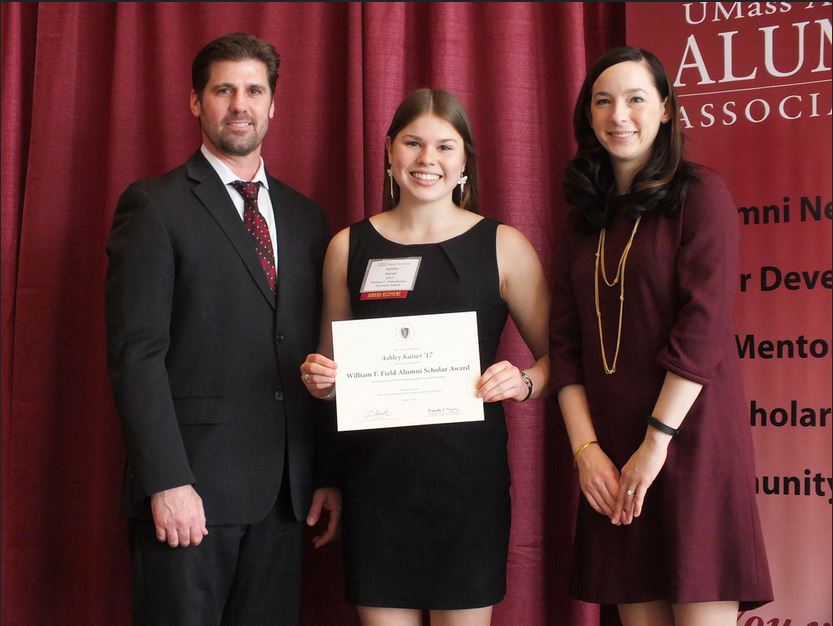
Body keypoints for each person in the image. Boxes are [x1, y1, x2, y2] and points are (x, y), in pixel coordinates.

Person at [105, 33, 340, 626]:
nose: (241, 103)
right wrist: (167, 482)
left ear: (273, 105)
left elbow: (313, 352)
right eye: (224, 89)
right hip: (191, 495)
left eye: (255, 90)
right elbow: (137, 355)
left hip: (285, 498)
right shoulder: (153, 206)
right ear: (195, 102)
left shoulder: (306, 216)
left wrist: (325, 475)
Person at [300, 88, 550, 626]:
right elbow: (330, 373)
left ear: (464, 160)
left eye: (444, 146)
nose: (426, 160)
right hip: (376, 485)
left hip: (467, 488)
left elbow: (561, 358)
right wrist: (321, 381)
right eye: (413, 143)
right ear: (390, 151)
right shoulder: (349, 246)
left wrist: (524, 381)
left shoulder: (504, 245)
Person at [550, 46, 773, 626]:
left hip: (689, 442)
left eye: (635, 99)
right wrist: (587, 453)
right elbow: (566, 348)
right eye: (603, 101)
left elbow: (702, 330)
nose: (618, 114)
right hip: (612, 455)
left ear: (667, 110)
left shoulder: (702, 196)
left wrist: (655, 445)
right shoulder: (583, 218)